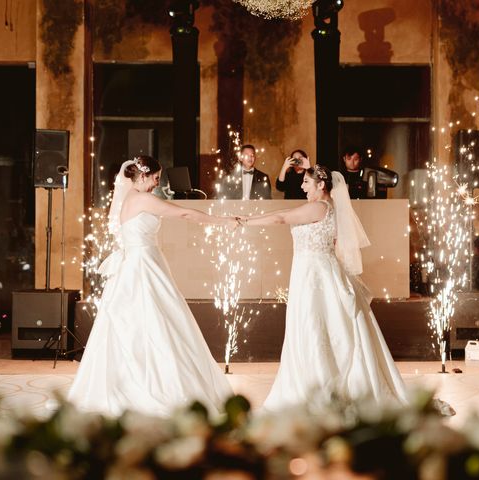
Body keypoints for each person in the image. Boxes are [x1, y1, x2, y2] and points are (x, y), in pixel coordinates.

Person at [68, 156, 234, 417]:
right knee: (159, 321)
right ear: (143, 176)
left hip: (143, 262)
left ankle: (144, 377)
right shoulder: (142, 199)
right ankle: (156, 385)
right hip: (143, 267)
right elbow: (184, 213)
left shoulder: (129, 198)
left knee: (149, 323)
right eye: (156, 178)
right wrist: (223, 221)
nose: (159, 183)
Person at [236, 165, 408, 409]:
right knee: (320, 328)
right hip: (316, 272)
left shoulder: (319, 207)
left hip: (313, 277)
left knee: (314, 326)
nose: (303, 187)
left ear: (321, 185)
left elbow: (281, 217)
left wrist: (245, 221)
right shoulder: (330, 208)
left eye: (307, 182)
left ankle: (320, 387)